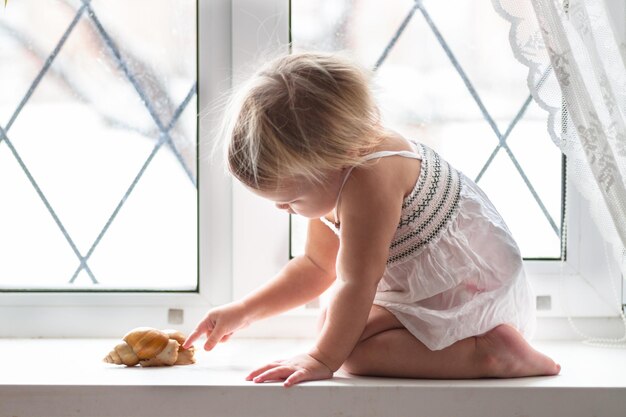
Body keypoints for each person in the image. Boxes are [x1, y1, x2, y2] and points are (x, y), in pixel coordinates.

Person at [183, 51, 561, 387]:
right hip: (433, 287)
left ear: (332, 159)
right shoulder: (336, 170)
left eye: (290, 201)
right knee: (335, 321)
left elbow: (357, 281)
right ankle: (484, 350)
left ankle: (490, 354)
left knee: (352, 354)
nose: (284, 211)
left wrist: (322, 360)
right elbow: (317, 267)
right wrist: (243, 312)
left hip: (472, 293)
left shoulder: (371, 177)